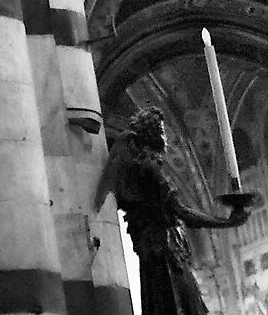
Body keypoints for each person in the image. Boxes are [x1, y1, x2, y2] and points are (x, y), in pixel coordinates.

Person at [95, 110, 253, 315]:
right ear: (151, 135)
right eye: (162, 131)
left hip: (158, 254)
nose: (165, 136)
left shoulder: (140, 168)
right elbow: (182, 212)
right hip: (166, 255)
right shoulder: (151, 171)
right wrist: (227, 222)